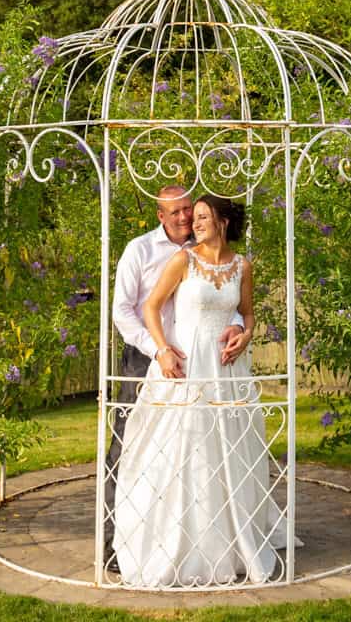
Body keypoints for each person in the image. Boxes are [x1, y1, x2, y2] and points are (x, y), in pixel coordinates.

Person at [112, 195, 288, 587]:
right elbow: (150, 307)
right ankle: (172, 541)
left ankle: (230, 540)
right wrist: (162, 351)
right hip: (186, 368)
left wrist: (243, 334)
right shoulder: (183, 260)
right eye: (195, 217)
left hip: (225, 372)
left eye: (203, 216)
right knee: (181, 450)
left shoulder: (243, 266)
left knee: (228, 451)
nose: (195, 222)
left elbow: (248, 312)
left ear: (223, 221)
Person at [104, 186, 246, 567]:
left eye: (190, 210)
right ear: (160, 215)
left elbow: (226, 303)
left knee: (198, 451)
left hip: (201, 363)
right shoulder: (141, 251)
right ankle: (116, 544)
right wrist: (160, 349)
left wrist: (237, 328)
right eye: (177, 212)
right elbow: (124, 312)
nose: (185, 218)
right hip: (146, 355)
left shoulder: (208, 254)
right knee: (132, 445)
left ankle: (200, 534)